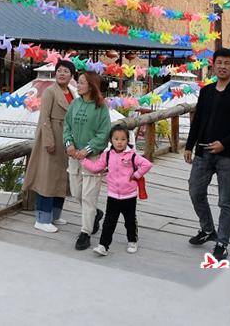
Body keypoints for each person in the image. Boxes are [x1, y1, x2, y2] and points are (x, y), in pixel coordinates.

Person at [184, 47, 230, 261]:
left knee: (226, 201)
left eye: (227, 63)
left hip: (228, 155)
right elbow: (198, 121)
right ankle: (207, 229)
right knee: (195, 191)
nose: (222, 66)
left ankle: (222, 242)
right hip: (203, 152)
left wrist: (224, 143)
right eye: (219, 62)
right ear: (213, 65)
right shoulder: (206, 91)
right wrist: (189, 145)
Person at [82, 124, 152, 256]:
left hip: (129, 196)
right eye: (116, 139)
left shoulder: (132, 156)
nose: (119, 142)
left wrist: (136, 175)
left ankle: (132, 240)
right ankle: (103, 245)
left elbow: (147, 164)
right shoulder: (107, 155)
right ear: (110, 140)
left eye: (123, 139)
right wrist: (83, 160)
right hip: (113, 195)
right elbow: (96, 167)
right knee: (109, 221)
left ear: (128, 140)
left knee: (130, 220)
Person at [23, 60, 76, 233]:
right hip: (52, 137)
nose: (61, 74)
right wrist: (49, 141)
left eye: (66, 71)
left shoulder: (71, 93)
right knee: (46, 178)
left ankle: (55, 215)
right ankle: (42, 218)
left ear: (71, 75)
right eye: (59, 70)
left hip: (65, 139)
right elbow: (44, 119)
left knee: (61, 178)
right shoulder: (49, 92)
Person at [64, 71, 111, 250]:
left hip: (93, 159)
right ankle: (96, 214)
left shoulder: (101, 108)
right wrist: (69, 144)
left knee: (88, 196)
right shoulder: (74, 103)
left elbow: (103, 133)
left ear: (91, 86)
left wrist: (87, 149)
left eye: (82, 82)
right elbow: (67, 125)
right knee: (76, 193)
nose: (78, 85)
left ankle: (85, 232)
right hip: (74, 157)